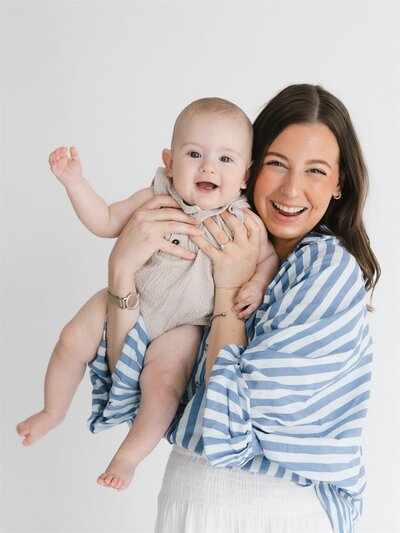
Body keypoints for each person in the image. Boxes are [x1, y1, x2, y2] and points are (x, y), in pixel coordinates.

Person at [99, 84, 380, 533]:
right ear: (250, 170)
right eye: (277, 164)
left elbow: (230, 427)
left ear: (339, 182)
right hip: (185, 500)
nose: (292, 188)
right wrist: (122, 273)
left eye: (315, 170)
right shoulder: (211, 237)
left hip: (275, 511)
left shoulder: (325, 271)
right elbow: (130, 387)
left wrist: (230, 285)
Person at [16, 98, 278, 491]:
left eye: (226, 159)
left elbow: (269, 259)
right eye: (194, 154)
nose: (208, 166)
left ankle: (128, 456)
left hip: (186, 323)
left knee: (165, 383)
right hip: (131, 294)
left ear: (245, 174)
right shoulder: (156, 195)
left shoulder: (245, 221)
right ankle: (53, 410)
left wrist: (257, 284)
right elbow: (105, 221)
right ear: (170, 163)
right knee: (71, 339)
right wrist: (75, 183)